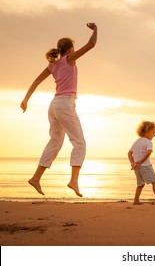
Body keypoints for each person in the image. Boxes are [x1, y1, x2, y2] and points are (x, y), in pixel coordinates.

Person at [21, 23, 98, 197]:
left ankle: (36, 178)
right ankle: (74, 181)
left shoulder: (53, 65)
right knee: (79, 142)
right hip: (64, 104)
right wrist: (95, 29)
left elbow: (35, 82)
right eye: (73, 49)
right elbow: (91, 45)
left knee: (55, 141)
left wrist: (26, 99)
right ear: (70, 50)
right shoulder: (69, 60)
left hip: (54, 105)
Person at [128, 121, 155, 205]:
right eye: (153, 133)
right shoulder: (148, 142)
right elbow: (149, 152)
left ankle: (136, 200)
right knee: (154, 182)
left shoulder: (136, 142)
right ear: (147, 131)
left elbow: (129, 153)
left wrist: (132, 163)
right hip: (145, 166)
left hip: (137, 166)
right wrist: (141, 161)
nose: (154, 135)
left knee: (140, 184)